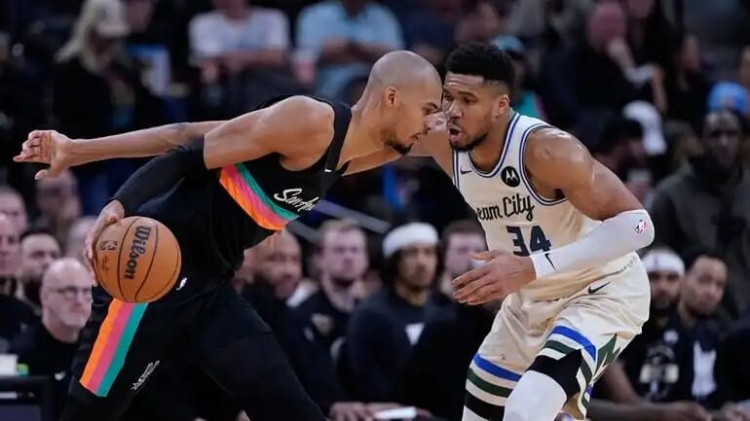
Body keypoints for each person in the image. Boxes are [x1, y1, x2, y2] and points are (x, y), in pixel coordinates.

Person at [14, 50, 443, 421]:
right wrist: (119, 204)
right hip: (149, 272)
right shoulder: (309, 120)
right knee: (90, 414)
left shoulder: (363, 152)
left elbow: (187, 130)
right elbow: (185, 155)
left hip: (210, 287)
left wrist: (78, 150)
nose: (431, 122)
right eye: (428, 109)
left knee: (291, 409)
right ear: (391, 98)